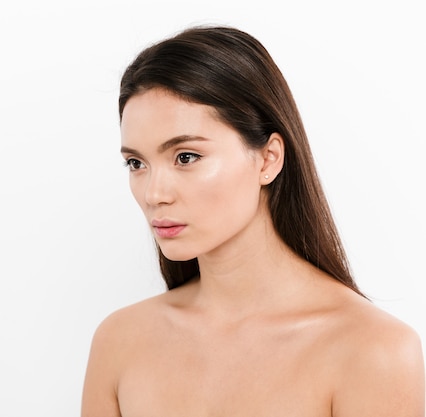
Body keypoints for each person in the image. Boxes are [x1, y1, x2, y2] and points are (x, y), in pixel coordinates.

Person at [81, 25, 425, 417]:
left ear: (268, 158)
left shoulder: (373, 351)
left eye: (186, 157)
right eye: (136, 163)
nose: (154, 193)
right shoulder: (120, 342)